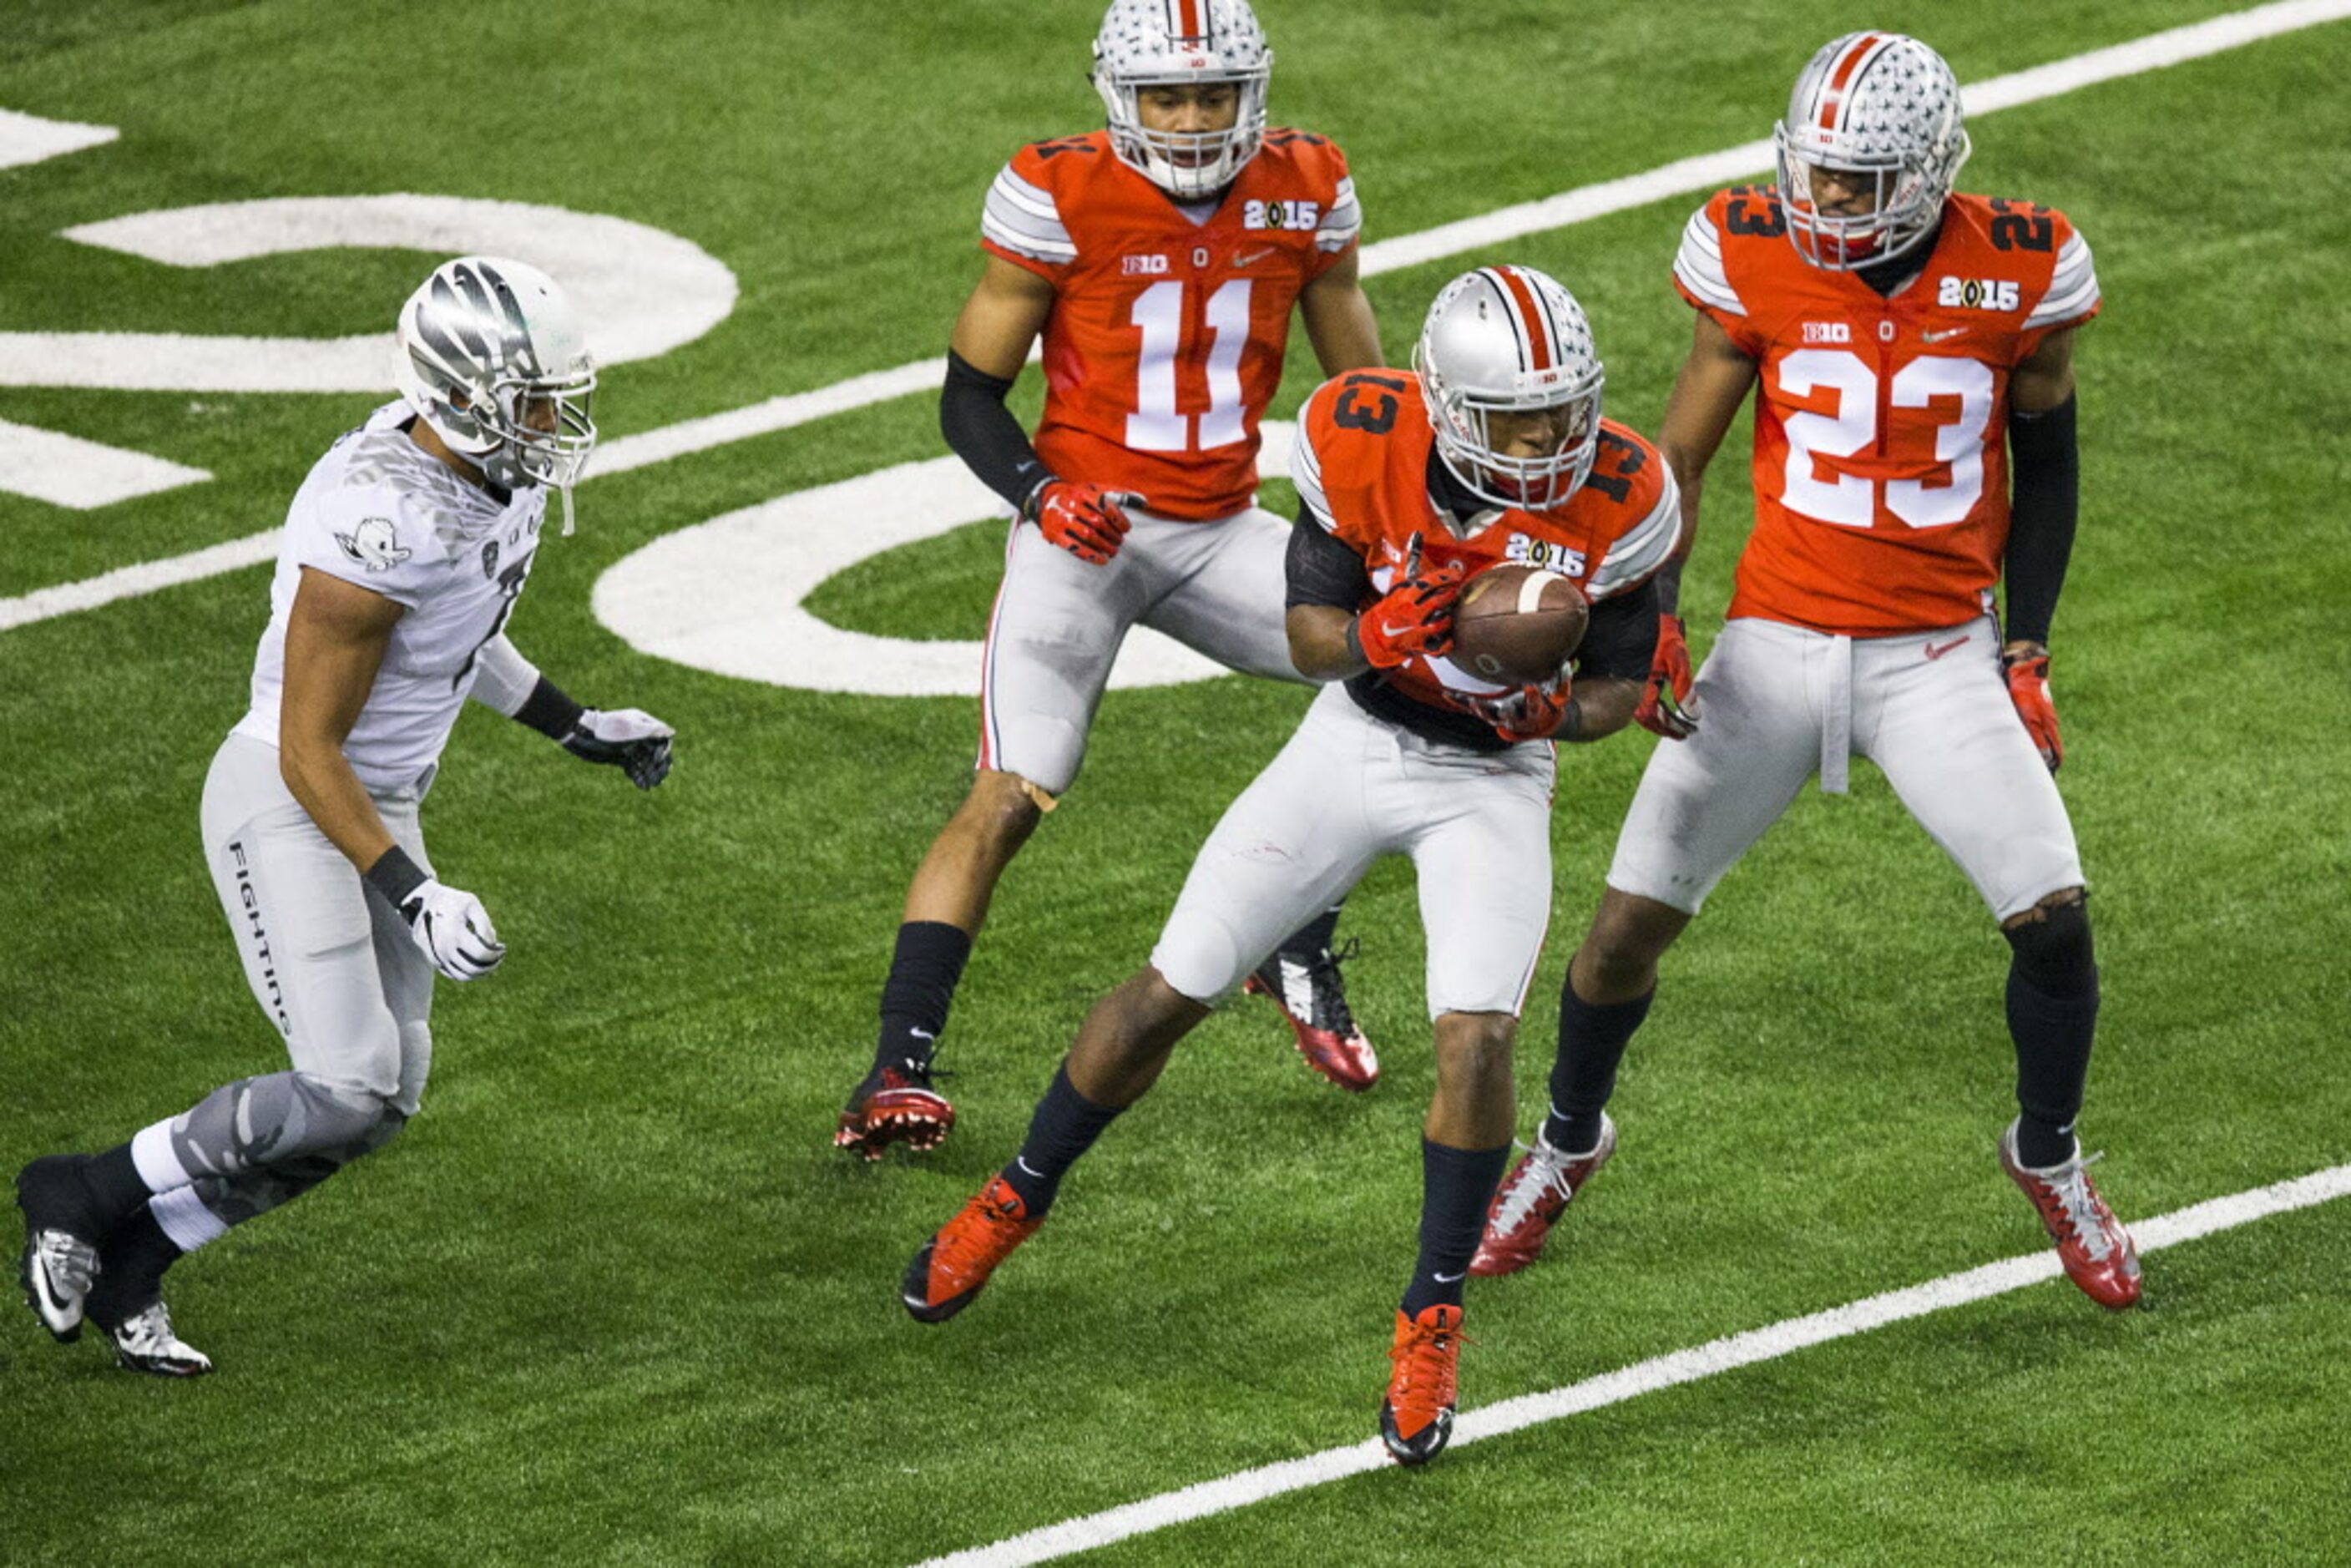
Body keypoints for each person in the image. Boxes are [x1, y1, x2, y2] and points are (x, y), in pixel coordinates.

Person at [898, 266, 1681, 1466]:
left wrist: (1551, 713)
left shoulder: (1624, 488)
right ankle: (1015, 1195)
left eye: (1566, 408)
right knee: (1173, 986)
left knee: (1476, 1035)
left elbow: (1620, 687)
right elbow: (1312, 633)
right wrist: (1388, 630)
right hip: (1357, 739)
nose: (1552, 438)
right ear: (1452, 406)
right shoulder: (1362, 434)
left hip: (1492, 781)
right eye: (1521, 417)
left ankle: (1431, 1316)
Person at [1473, 33, 2140, 1310]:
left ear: (1932, 172)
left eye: (1856, 182)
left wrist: (2027, 639)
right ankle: (1564, 1142)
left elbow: (2045, 460)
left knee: (2054, 918)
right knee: (1621, 935)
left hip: (1938, 648)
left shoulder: (2023, 266)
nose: (1823, 202)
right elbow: (1673, 461)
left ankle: (2047, 1156)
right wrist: (1653, 617)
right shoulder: (1752, 249)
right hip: (1775, 641)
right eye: (1815, 174)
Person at [13, 256, 677, 1376]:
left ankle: (144, 1256)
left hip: (370, 798)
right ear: (464, 394)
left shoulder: (474, 483)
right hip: (290, 794)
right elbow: (305, 744)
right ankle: (83, 1185)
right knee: (349, 1082)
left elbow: (458, 635)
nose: (555, 421)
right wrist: (414, 892)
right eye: (534, 400)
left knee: (380, 1102)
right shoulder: (384, 519)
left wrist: (576, 725)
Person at [834, 0, 1394, 1162]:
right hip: (1082, 536)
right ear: (1118, 97)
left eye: (1213, 95)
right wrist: (1042, 493)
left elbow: (1369, 398)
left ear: (1255, 90)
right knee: (1011, 790)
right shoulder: (1057, 192)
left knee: (1402, 675)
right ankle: (895, 1064)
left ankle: (1295, 932)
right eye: (1166, 97)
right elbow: (967, 399)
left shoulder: (1305, 187)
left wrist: (1403, 542)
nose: (1191, 121)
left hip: (1221, 524)